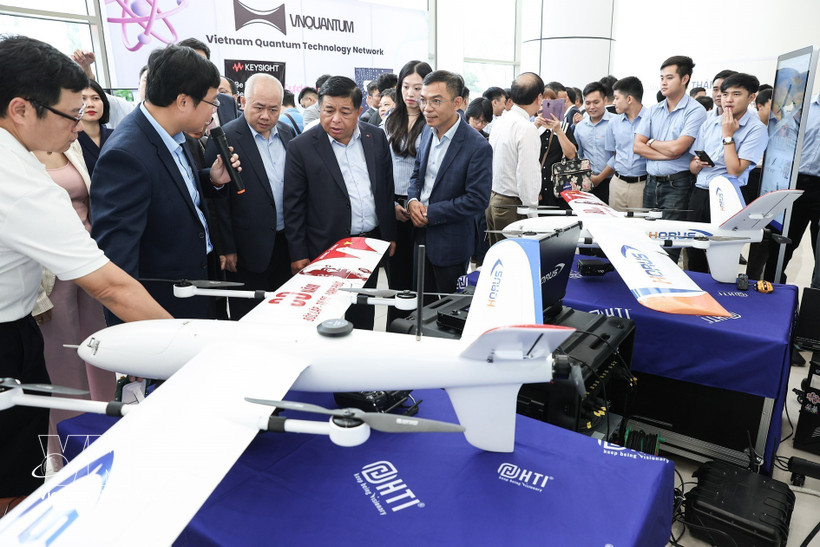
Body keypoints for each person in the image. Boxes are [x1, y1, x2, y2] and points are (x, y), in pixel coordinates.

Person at [0, 35, 170, 506]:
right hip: (4, 335)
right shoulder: (19, 183)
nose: (78, 125)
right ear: (21, 109)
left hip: (15, 319)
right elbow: (112, 286)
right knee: (13, 478)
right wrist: (186, 349)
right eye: (69, 113)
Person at [91, 44, 240, 323]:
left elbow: (169, 189)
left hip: (196, 283)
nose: (215, 111)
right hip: (162, 305)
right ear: (183, 101)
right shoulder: (126, 155)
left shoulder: (172, 133)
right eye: (212, 102)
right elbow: (117, 265)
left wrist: (211, 179)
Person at [283, 76, 397, 329]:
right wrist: (298, 253)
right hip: (326, 248)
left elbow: (385, 189)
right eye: (328, 111)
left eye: (345, 112)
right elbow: (294, 206)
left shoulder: (375, 137)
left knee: (364, 314)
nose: (335, 119)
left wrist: (390, 234)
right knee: (325, 317)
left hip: (370, 243)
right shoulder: (301, 147)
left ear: (359, 111)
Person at [33, 139, 114, 470]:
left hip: (89, 262)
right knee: (64, 370)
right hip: (48, 276)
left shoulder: (71, 144)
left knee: (100, 354)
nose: (78, 119)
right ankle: (68, 456)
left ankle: (106, 434)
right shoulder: (14, 152)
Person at [204, 73, 296, 319]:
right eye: (259, 107)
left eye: (274, 109)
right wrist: (226, 247)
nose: (266, 116)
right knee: (251, 316)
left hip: (286, 243)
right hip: (246, 249)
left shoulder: (288, 134)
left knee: (286, 314)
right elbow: (217, 201)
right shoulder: (225, 137)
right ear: (243, 102)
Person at [407, 70, 492, 293]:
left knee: (446, 312)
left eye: (436, 101)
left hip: (451, 242)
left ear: (457, 103)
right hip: (419, 237)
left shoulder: (477, 146)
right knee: (420, 308)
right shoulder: (426, 131)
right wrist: (412, 200)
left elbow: (477, 199)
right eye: (423, 100)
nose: (427, 108)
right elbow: (417, 174)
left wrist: (430, 213)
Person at [686, 73, 768, 273]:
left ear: (751, 97)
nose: (728, 99)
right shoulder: (709, 123)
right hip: (700, 193)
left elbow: (735, 170)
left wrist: (728, 135)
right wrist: (698, 163)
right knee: (694, 252)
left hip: (727, 197)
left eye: (736, 94)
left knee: (720, 257)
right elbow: (692, 167)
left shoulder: (756, 129)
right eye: (725, 94)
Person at [634, 55, 707, 263]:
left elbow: (679, 148)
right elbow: (637, 146)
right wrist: (664, 149)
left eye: (669, 77)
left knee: (668, 246)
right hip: (651, 184)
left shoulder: (696, 111)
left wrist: (651, 142)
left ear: (684, 79)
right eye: (661, 78)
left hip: (678, 185)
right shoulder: (654, 109)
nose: (663, 83)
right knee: (648, 240)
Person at [383, 60, 432, 310]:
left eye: (418, 88)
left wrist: (414, 203)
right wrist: (390, 203)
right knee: (397, 273)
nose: (411, 94)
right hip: (393, 203)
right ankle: (397, 324)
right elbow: (380, 166)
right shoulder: (390, 118)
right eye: (405, 87)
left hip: (421, 205)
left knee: (420, 274)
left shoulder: (432, 121)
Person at [486, 72, 544, 246]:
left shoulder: (502, 120)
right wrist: (532, 213)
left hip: (493, 200)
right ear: (539, 98)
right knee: (517, 263)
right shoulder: (527, 128)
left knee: (499, 260)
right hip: (512, 206)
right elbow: (527, 176)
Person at [604, 76, 648, 211]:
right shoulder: (613, 122)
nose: (614, 102)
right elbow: (614, 152)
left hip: (642, 184)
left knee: (640, 228)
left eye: (617, 98)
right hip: (618, 183)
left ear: (629, 99)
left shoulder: (651, 119)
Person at [534, 88, 577, 209]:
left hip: (559, 189)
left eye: (550, 104)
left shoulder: (564, 127)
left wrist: (558, 130)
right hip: (537, 188)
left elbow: (571, 155)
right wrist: (534, 127)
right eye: (542, 104)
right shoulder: (530, 127)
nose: (545, 108)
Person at [574, 81, 615, 203]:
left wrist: (599, 178)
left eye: (596, 102)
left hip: (610, 182)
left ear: (605, 100)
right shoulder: (580, 126)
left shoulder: (616, 122)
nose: (591, 107)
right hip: (587, 182)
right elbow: (579, 154)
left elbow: (618, 155)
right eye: (588, 103)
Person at [76, 78, 114, 177]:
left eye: (95, 98)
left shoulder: (117, 135)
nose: (90, 105)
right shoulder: (68, 141)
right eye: (83, 99)